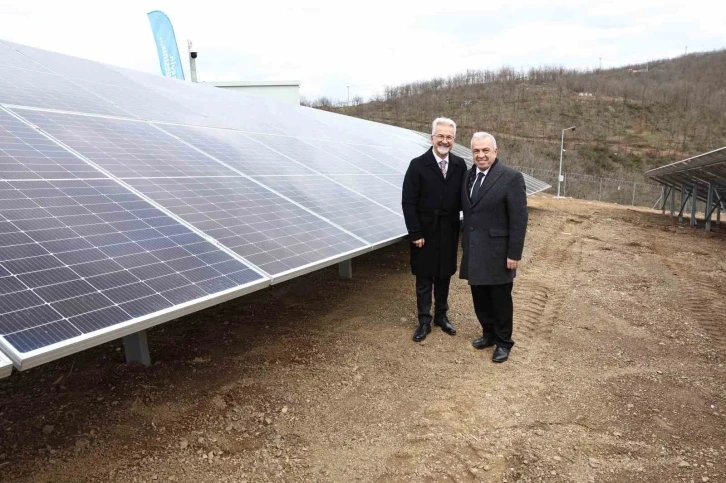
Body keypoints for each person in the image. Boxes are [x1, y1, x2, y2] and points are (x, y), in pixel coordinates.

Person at [460, 132, 528, 362]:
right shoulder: (468, 176)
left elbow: (519, 219)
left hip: (499, 253)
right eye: (476, 151)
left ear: (495, 151)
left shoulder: (511, 177)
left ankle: (503, 342)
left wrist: (514, 253)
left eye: (485, 150)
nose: (481, 155)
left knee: (500, 299)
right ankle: (488, 334)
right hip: (474, 250)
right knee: (479, 296)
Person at [402, 118, 467, 342]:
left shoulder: (460, 165)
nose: (444, 140)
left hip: (449, 229)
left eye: (449, 137)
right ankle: (424, 321)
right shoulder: (417, 165)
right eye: (440, 136)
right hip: (424, 231)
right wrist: (415, 232)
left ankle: (441, 316)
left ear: (454, 140)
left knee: (444, 275)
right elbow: (408, 202)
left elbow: (464, 199)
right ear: (432, 138)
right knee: (423, 277)